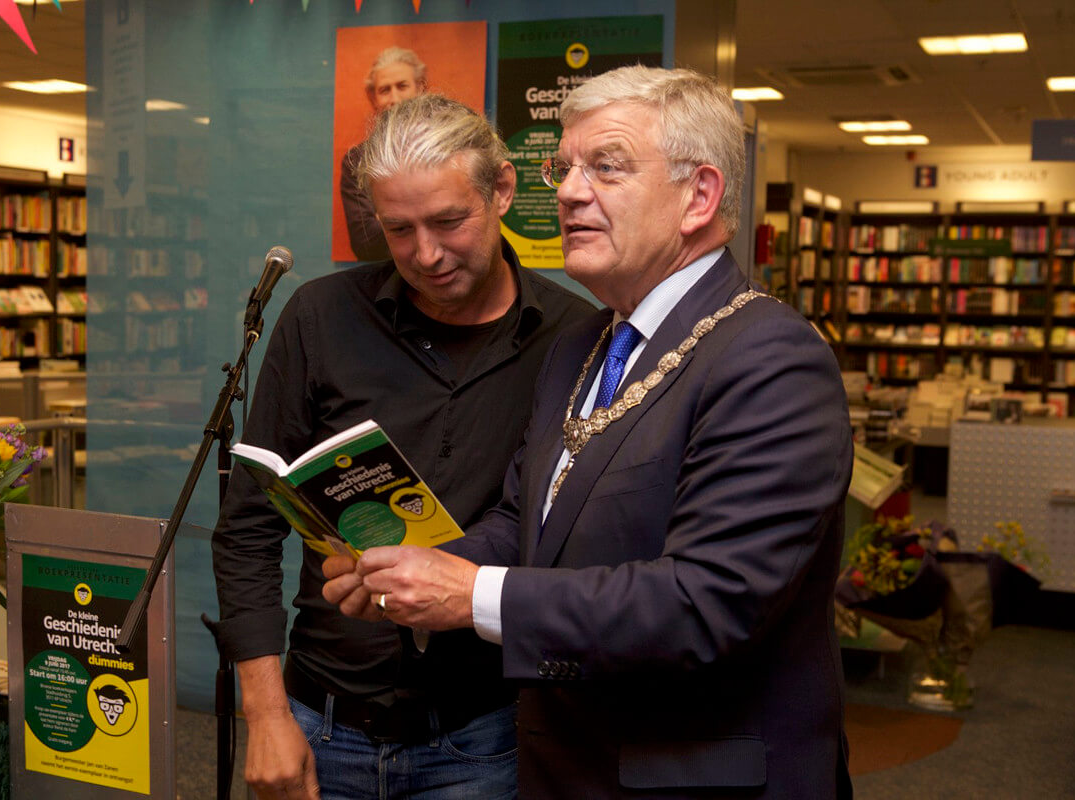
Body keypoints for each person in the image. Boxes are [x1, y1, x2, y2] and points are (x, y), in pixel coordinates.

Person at [323, 65, 854, 799]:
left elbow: (707, 602)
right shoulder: (585, 344)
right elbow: (525, 522)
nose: (569, 192)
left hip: (692, 779)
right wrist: (412, 569)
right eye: (564, 167)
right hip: (568, 765)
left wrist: (473, 594)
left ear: (699, 196)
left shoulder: (770, 358)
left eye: (606, 168)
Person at [212, 93, 597, 800]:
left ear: (502, 190)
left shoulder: (575, 337)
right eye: (398, 230)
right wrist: (263, 712)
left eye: (450, 221)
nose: (427, 253)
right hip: (319, 717)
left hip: (486, 733)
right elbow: (246, 528)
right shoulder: (321, 317)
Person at [340, 46, 427, 261]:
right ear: (373, 99)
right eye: (384, 90)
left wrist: (386, 220)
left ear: (421, 89)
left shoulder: (450, 147)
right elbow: (365, 243)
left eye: (402, 86)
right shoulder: (357, 160)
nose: (394, 99)